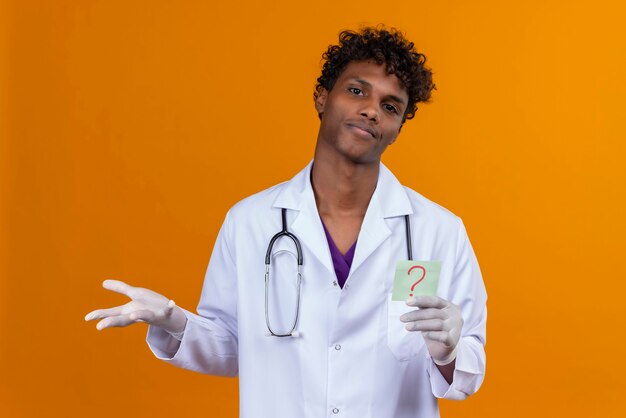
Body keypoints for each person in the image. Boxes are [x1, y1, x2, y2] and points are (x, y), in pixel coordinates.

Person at [85, 26, 487, 418]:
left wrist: (450, 352)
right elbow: (230, 348)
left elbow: (468, 374)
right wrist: (173, 319)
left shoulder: (439, 232)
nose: (370, 109)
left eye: (390, 106)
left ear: (398, 129)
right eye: (357, 90)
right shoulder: (250, 222)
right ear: (321, 98)